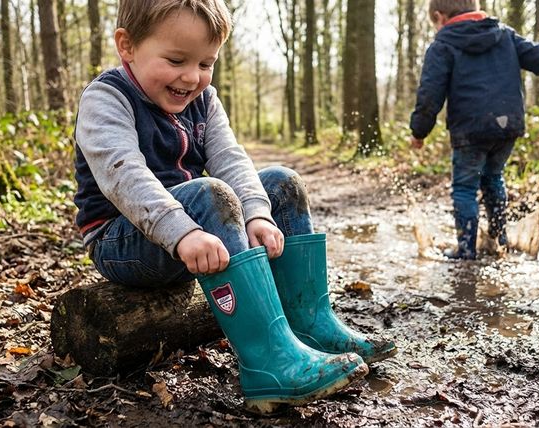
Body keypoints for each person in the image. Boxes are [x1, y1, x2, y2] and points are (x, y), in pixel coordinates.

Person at [73, 0, 395, 414]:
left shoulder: (204, 99)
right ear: (127, 46)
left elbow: (230, 158)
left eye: (206, 63)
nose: (192, 77)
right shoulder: (107, 98)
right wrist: (183, 231)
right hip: (123, 239)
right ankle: (268, 365)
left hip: (194, 226)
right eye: (175, 60)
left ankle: (309, 329)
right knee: (210, 193)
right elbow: (124, 176)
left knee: (281, 182)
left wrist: (258, 213)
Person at [409, 0, 539, 260]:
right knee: (493, 177)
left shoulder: (443, 45)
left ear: (439, 16)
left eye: (434, 23)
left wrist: (419, 131)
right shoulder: (504, 35)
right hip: (508, 124)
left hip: (470, 130)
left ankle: (466, 250)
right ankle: (499, 240)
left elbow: (429, 95)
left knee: (465, 187)